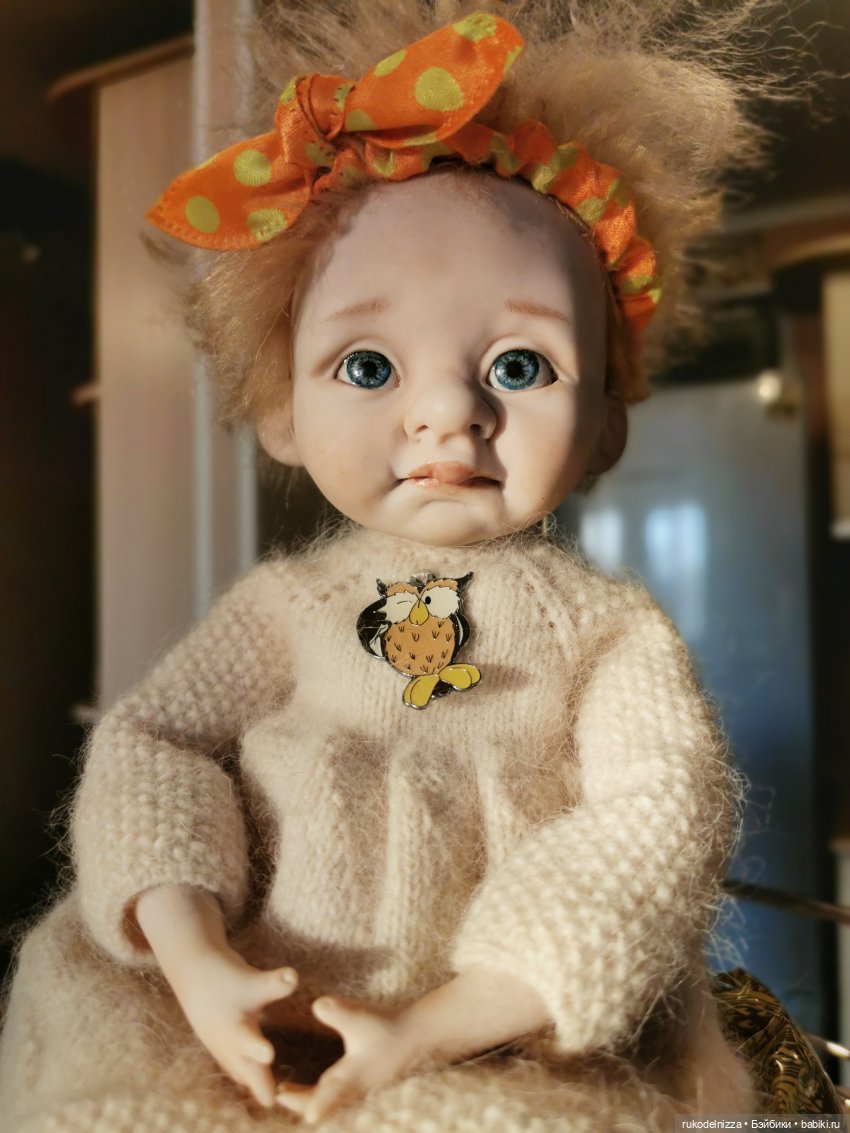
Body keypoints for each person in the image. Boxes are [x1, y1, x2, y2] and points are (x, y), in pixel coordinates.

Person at [0, 3, 773, 1129]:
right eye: (368, 365)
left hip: (501, 1041)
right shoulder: (287, 607)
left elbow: (652, 821)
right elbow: (154, 744)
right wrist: (194, 951)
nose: (448, 413)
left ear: (607, 421)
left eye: (521, 365)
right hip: (225, 1010)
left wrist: (442, 1024)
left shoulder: (606, 636)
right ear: (281, 407)